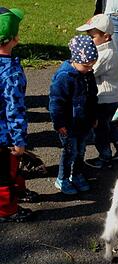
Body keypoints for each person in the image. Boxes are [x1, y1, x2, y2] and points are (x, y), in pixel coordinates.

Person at [49, 35, 99, 195]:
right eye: (86, 65)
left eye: (92, 65)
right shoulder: (64, 77)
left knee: (81, 150)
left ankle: (76, 174)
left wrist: (93, 117)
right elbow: (57, 102)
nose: (90, 68)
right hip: (69, 124)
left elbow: (93, 97)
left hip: (84, 122)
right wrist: (59, 123)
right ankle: (62, 178)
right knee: (70, 151)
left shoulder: (87, 74)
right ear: (75, 60)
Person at [76, 14, 118, 169]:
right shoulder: (103, 49)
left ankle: (105, 157)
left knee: (100, 129)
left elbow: (89, 70)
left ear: (106, 37)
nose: (89, 40)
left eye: (92, 37)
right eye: (88, 36)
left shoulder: (105, 54)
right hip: (112, 96)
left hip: (105, 98)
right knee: (107, 125)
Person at [0, 7, 36, 222]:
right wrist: (18, 140)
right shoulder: (10, 72)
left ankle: (18, 191)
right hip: (5, 137)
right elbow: (14, 109)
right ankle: (7, 210)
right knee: (6, 174)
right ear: (14, 38)